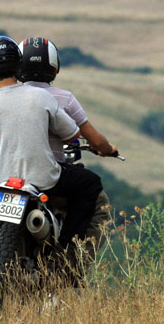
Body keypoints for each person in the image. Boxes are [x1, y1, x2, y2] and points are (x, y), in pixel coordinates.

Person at [0, 36, 103, 287]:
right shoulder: (42, 97)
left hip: (0, 180)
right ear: (18, 66)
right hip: (44, 179)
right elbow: (73, 133)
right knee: (90, 184)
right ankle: (66, 253)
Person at [17, 37, 118, 253]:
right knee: (94, 193)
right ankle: (69, 259)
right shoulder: (64, 99)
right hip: (50, 176)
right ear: (54, 68)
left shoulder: (7, 97)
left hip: (12, 174)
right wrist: (109, 149)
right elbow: (94, 140)